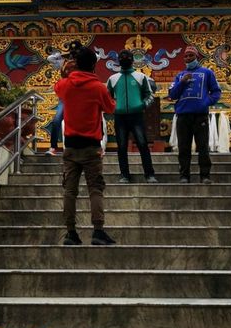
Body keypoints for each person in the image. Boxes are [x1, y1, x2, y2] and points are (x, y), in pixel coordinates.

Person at [54, 42, 116, 246]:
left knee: (70, 191)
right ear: (93, 66)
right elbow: (111, 108)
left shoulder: (66, 85)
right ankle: (98, 231)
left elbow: (58, 87)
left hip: (70, 145)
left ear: (76, 64)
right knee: (95, 189)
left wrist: (66, 73)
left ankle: (71, 233)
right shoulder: (98, 87)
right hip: (91, 146)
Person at [168, 45, 221, 184]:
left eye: (191, 56)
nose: (188, 58)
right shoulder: (179, 75)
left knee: (203, 147)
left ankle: (205, 176)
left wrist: (206, 102)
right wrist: (182, 82)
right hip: (183, 116)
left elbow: (216, 91)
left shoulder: (207, 73)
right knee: (183, 148)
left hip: (200, 115)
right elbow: (172, 94)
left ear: (197, 57)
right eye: (186, 56)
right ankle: (184, 176)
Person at [106, 50, 157, 183]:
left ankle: (150, 174)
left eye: (126, 57)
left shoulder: (141, 77)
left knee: (142, 144)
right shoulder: (112, 79)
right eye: (122, 57)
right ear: (118, 60)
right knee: (121, 146)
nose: (124, 59)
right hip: (120, 117)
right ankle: (124, 175)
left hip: (137, 116)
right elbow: (107, 97)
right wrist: (114, 108)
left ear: (132, 59)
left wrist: (142, 105)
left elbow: (150, 95)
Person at [46, 48, 66, 155]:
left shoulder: (81, 61)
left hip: (79, 94)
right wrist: (62, 54)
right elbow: (50, 58)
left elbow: (96, 58)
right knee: (56, 120)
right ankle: (53, 147)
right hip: (64, 96)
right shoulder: (63, 61)